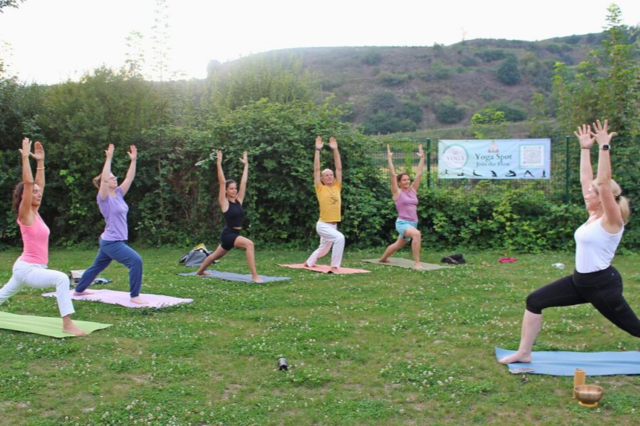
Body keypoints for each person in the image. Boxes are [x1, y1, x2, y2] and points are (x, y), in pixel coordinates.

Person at [499, 120, 637, 364]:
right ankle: (524, 353)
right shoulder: (593, 216)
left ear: (603, 198)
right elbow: (588, 179)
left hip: (602, 286)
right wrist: (585, 149)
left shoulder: (612, 221)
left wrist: (604, 148)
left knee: (635, 328)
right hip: (579, 281)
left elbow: (602, 183)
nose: (586, 193)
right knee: (535, 300)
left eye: (591, 193)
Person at [0, 138, 86, 335]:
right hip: (28, 269)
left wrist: (40, 162)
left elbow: (38, 184)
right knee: (62, 279)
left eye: (39, 192)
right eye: (34, 193)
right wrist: (25, 158)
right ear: (25, 197)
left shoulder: (35, 212)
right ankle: (67, 324)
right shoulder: (25, 213)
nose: (38, 194)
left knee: (3, 294)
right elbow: (29, 184)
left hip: (26, 266)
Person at [74, 144, 148, 304]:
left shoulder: (119, 194)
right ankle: (135, 296)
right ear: (104, 183)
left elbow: (129, 178)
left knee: (96, 267)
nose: (115, 179)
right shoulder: (104, 198)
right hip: (112, 241)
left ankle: (79, 290)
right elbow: (106, 178)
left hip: (111, 240)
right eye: (111, 178)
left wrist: (133, 161)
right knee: (136, 261)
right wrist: (109, 158)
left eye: (115, 177)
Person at [196, 151, 263, 283]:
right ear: (226, 190)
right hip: (229, 234)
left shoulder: (238, 201)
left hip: (233, 234)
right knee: (249, 244)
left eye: (235, 188)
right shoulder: (224, 203)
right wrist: (218, 163)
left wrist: (246, 165)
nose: (234, 190)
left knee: (215, 255)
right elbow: (221, 182)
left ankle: (200, 271)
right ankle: (255, 276)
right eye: (231, 188)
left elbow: (244, 183)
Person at [379, 144, 424, 269]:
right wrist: (389, 158)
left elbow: (419, 174)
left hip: (413, 222)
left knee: (398, 244)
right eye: (404, 180)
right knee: (417, 235)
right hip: (402, 223)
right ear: (399, 182)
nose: (407, 181)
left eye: (408, 179)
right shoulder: (397, 192)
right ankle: (417, 263)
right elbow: (392, 175)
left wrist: (422, 158)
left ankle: (383, 259)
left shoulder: (413, 190)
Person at [305, 136, 344, 273]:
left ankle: (309, 262)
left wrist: (335, 150)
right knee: (340, 238)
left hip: (333, 224)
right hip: (323, 224)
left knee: (324, 249)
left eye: (330, 174)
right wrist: (317, 150)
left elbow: (339, 168)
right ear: (321, 178)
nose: (329, 176)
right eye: (326, 175)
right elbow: (316, 170)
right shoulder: (320, 187)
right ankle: (334, 266)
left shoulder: (337, 186)